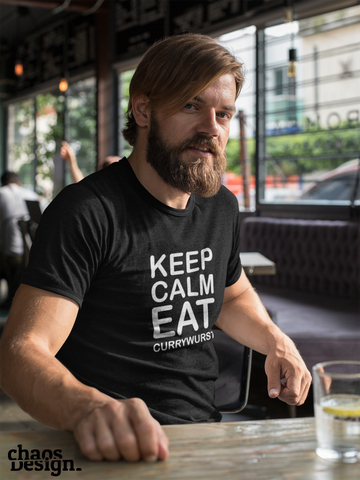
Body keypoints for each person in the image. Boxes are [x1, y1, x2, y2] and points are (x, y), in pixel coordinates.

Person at [0, 33, 311, 463]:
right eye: (191, 105)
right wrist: (88, 408)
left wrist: (275, 339)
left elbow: (229, 292)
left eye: (223, 114)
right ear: (143, 109)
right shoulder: (87, 211)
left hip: (204, 437)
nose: (212, 128)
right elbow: (21, 353)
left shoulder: (220, 206)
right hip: (111, 446)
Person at [0, 171, 39, 304]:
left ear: (3, 183)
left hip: (8, 255)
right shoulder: (32, 195)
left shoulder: (1, 193)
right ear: (19, 184)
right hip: (31, 253)